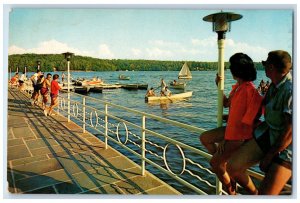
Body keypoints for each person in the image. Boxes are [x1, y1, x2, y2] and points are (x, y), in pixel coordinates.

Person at [227, 50, 292, 195]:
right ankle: (254, 193)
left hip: (287, 150)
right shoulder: (275, 85)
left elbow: (290, 132)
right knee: (232, 167)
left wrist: (270, 155)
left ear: (272, 68)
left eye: (266, 64)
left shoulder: (290, 90)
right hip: (268, 135)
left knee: (266, 195)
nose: (263, 67)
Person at [199, 53, 263, 195]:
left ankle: (241, 192)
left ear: (238, 70)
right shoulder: (238, 88)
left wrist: (225, 139)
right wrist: (218, 85)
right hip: (231, 129)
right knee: (204, 138)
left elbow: (246, 123)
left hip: (239, 135)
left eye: (231, 67)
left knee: (214, 164)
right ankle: (224, 164)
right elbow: (227, 103)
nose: (229, 69)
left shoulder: (250, 91)